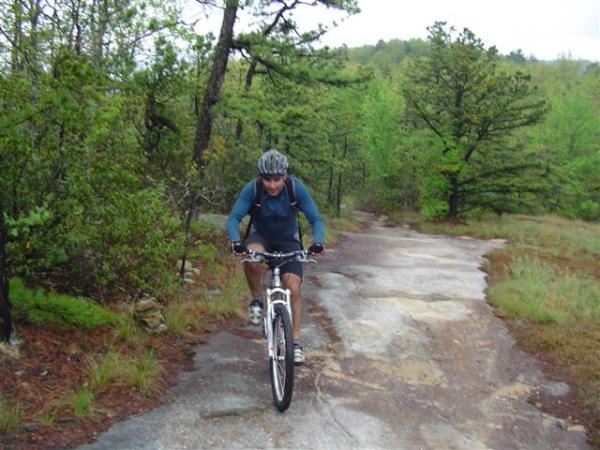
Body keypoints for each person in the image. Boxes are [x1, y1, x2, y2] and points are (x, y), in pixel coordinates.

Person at [226, 149, 325, 366]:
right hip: (261, 238)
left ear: (285, 176)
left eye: (277, 179)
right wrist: (235, 242)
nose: (272, 185)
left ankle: (296, 342)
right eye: (267, 179)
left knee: (294, 287)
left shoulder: (295, 189)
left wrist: (317, 242)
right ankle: (256, 298)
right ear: (261, 177)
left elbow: (316, 219)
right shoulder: (252, 190)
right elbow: (234, 218)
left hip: (287, 241)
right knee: (251, 257)